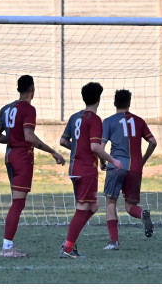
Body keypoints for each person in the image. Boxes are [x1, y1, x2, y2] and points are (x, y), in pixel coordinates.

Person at [0, 75, 66, 258]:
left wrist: (12, 139)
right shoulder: (29, 109)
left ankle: (8, 245)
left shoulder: (6, 108)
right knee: (17, 204)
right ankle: (7, 248)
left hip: (9, 156)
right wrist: (52, 151)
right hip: (22, 158)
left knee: (17, 202)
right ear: (32, 89)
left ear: (19, 89)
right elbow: (29, 136)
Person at [59, 82, 122, 259]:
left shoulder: (74, 117)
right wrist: (112, 160)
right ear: (99, 99)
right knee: (83, 207)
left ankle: (70, 240)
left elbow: (63, 141)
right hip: (86, 169)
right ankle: (68, 247)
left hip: (75, 168)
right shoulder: (94, 120)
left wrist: (80, 150)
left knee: (93, 205)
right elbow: (95, 146)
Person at [97, 89, 158, 250]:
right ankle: (142, 213)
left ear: (114, 103)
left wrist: (102, 161)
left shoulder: (109, 121)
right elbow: (153, 142)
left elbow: (101, 147)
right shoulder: (139, 121)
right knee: (130, 206)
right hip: (135, 167)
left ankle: (114, 242)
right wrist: (142, 160)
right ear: (129, 103)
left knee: (111, 202)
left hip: (116, 165)